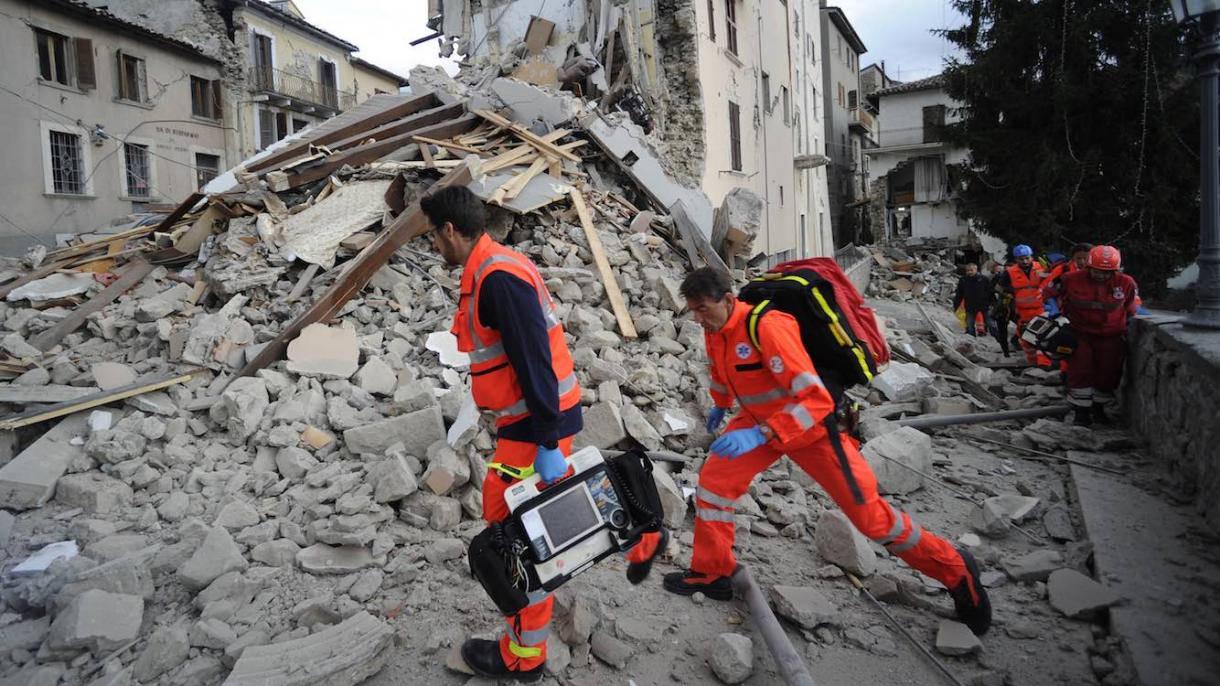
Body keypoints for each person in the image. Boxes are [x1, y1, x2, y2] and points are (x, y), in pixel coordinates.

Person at [660, 267, 992, 636]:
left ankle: (956, 570)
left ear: (728, 299)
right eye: (693, 310)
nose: (697, 317)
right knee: (714, 484)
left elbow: (816, 399)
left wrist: (762, 433)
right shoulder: (716, 329)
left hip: (813, 430)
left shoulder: (768, 327)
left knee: (871, 519)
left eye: (703, 308)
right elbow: (722, 371)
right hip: (759, 423)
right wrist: (722, 403)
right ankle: (713, 572)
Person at [421, 186, 659, 681]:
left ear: (449, 230)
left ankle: (523, 657)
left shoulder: (497, 279)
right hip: (533, 421)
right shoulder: (494, 265)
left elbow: (534, 362)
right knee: (541, 517)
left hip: (536, 425)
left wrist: (549, 440)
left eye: (433, 237)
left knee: (512, 534)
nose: (432, 248)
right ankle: (641, 538)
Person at [1042, 246, 1138, 426]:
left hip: (1111, 337)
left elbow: (1131, 308)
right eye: (1097, 271)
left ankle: (1099, 409)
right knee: (1080, 371)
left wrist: (1131, 324)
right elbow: (1048, 294)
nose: (1101, 275)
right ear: (1089, 266)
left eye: (1106, 272)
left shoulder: (1126, 283)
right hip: (1080, 334)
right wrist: (1054, 312)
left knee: (1107, 373)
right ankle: (1081, 413)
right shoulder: (1069, 279)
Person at [994, 244, 1050, 366]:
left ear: (1031, 257)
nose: (1025, 261)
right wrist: (1010, 293)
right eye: (1021, 259)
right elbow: (998, 287)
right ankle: (1032, 363)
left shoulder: (1041, 268)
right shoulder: (1010, 272)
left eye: (1027, 258)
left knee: (1042, 336)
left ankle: (1044, 364)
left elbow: (1050, 282)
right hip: (1022, 311)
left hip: (1040, 309)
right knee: (1026, 338)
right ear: (1016, 259)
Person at [1042, 243, 1092, 316]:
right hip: (1068, 313)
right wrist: (1053, 306)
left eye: (1085, 258)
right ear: (1073, 258)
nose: (1082, 262)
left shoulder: (1099, 272)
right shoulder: (1064, 269)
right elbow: (1045, 287)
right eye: (1078, 258)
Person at [953, 263, 991, 336]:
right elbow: (959, 294)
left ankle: (989, 334)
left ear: (976, 270)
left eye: (971, 270)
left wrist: (990, 302)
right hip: (970, 306)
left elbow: (989, 292)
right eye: (967, 270)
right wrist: (956, 306)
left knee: (990, 323)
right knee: (970, 324)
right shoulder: (963, 280)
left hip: (983, 305)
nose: (969, 272)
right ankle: (972, 339)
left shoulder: (984, 279)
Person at [989, 263, 1013, 356]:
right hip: (1002, 307)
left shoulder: (1019, 278)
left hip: (1016, 306)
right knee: (1002, 330)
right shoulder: (998, 278)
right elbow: (992, 289)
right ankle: (1006, 351)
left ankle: (1015, 342)